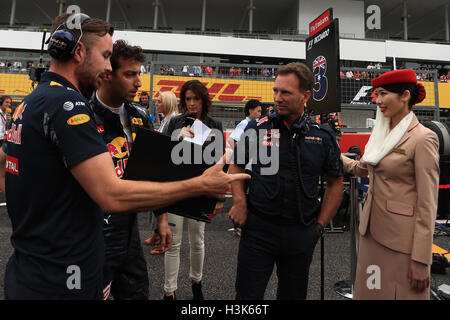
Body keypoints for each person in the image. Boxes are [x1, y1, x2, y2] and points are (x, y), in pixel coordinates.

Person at [0, 12, 249, 300]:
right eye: (106, 55)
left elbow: (7, 167)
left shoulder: (30, 102)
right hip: (65, 269)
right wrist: (199, 186)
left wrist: (168, 215)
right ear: (79, 51)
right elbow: (111, 195)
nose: (107, 67)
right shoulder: (69, 105)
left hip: (40, 260)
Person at [228, 62, 344, 300]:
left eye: (286, 92)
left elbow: (335, 183)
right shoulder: (256, 127)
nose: (277, 98)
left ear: (305, 95)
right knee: (247, 297)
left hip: (301, 232)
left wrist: (320, 227)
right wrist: (239, 202)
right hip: (258, 230)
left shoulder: (323, 136)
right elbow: (236, 165)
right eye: (275, 91)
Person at [341, 69, 439, 299]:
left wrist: (421, 259)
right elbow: (363, 168)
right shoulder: (381, 132)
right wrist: (338, 157)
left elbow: (428, 204)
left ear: (405, 95)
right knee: (370, 293)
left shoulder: (423, 138)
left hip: (402, 242)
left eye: (383, 94)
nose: (378, 101)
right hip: (371, 233)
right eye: (376, 94)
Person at [89, 39, 159, 300]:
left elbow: (155, 170)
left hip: (130, 236)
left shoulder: (140, 115)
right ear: (107, 75)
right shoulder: (82, 115)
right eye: (130, 74)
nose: (139, 82)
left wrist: (160, 220)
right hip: (92, 236)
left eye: (139, 74)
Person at [160, 79, 224, 300]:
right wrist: (176, 139)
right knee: (173, 242)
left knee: (197, 241)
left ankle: (197, 282)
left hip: (202, 189)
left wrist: (219, 197)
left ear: (203, 100)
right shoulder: (174, 122)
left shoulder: (214, 124)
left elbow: (218, 162)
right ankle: (170, 290)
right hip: (176, 189)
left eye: (196, 99)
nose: (192, 103)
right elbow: (163, 156)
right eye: (188, 99)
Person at [145, 90, 180, 255]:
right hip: (161, 167)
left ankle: (161, 241)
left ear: (167, 103)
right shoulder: (167, 119)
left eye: (159, 101)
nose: (156, 103)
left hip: (166, 169)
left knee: (160, 203)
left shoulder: (173, 120)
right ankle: (155, 235)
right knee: (155, 202)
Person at [227, 99, 262, 236]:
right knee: (243, 194)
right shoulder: (244, 124)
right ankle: (239, 226)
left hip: (250, 166)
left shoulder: (254, 125)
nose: (260, 113)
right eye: (258, 111)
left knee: (248, 194)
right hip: (245, 167)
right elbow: (234, 142)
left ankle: (242, 225)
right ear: (250, 111)